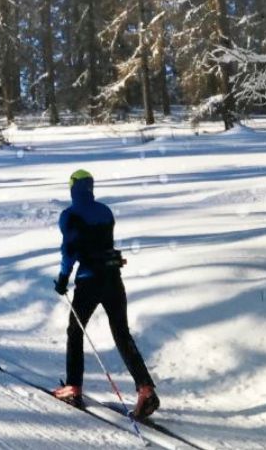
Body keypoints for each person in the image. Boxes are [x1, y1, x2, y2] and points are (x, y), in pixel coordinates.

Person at [53, 169, 159, 419]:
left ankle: (73, 386)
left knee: (75, 331)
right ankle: (145, 388)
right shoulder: (105, 211)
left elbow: (69, 250)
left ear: (72, 188)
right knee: (122, 333)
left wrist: (62, 279)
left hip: (89, 281)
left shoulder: (69, 215)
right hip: (113, 279)